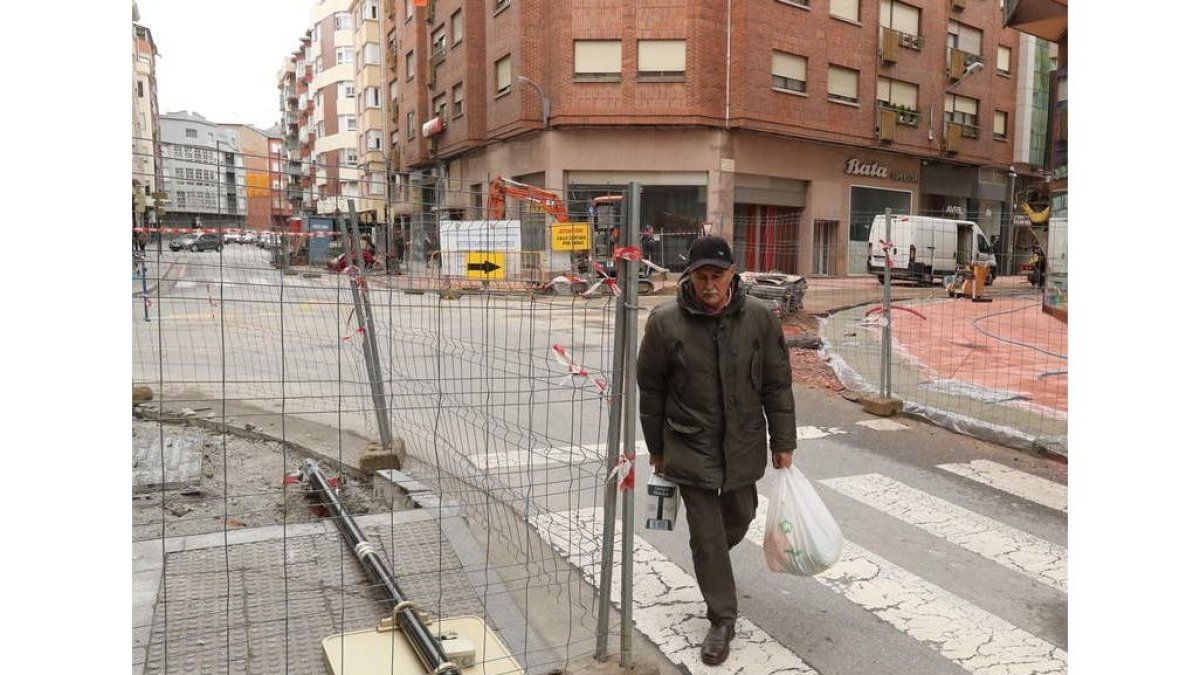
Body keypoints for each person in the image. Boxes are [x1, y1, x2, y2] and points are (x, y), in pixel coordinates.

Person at [636, 235, 796, 666]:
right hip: (688, 443)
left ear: (733, 276)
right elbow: (650, 390)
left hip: (743, 443)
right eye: (701, 276)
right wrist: (656, 448)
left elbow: (778, 383)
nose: (709, 285)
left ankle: (709, 562)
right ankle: (722, 619)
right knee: (707, 536)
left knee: (741, 515)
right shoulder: (665, 323)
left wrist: (783, 441)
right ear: (690, 277)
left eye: (717, 276)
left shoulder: (760, 318)